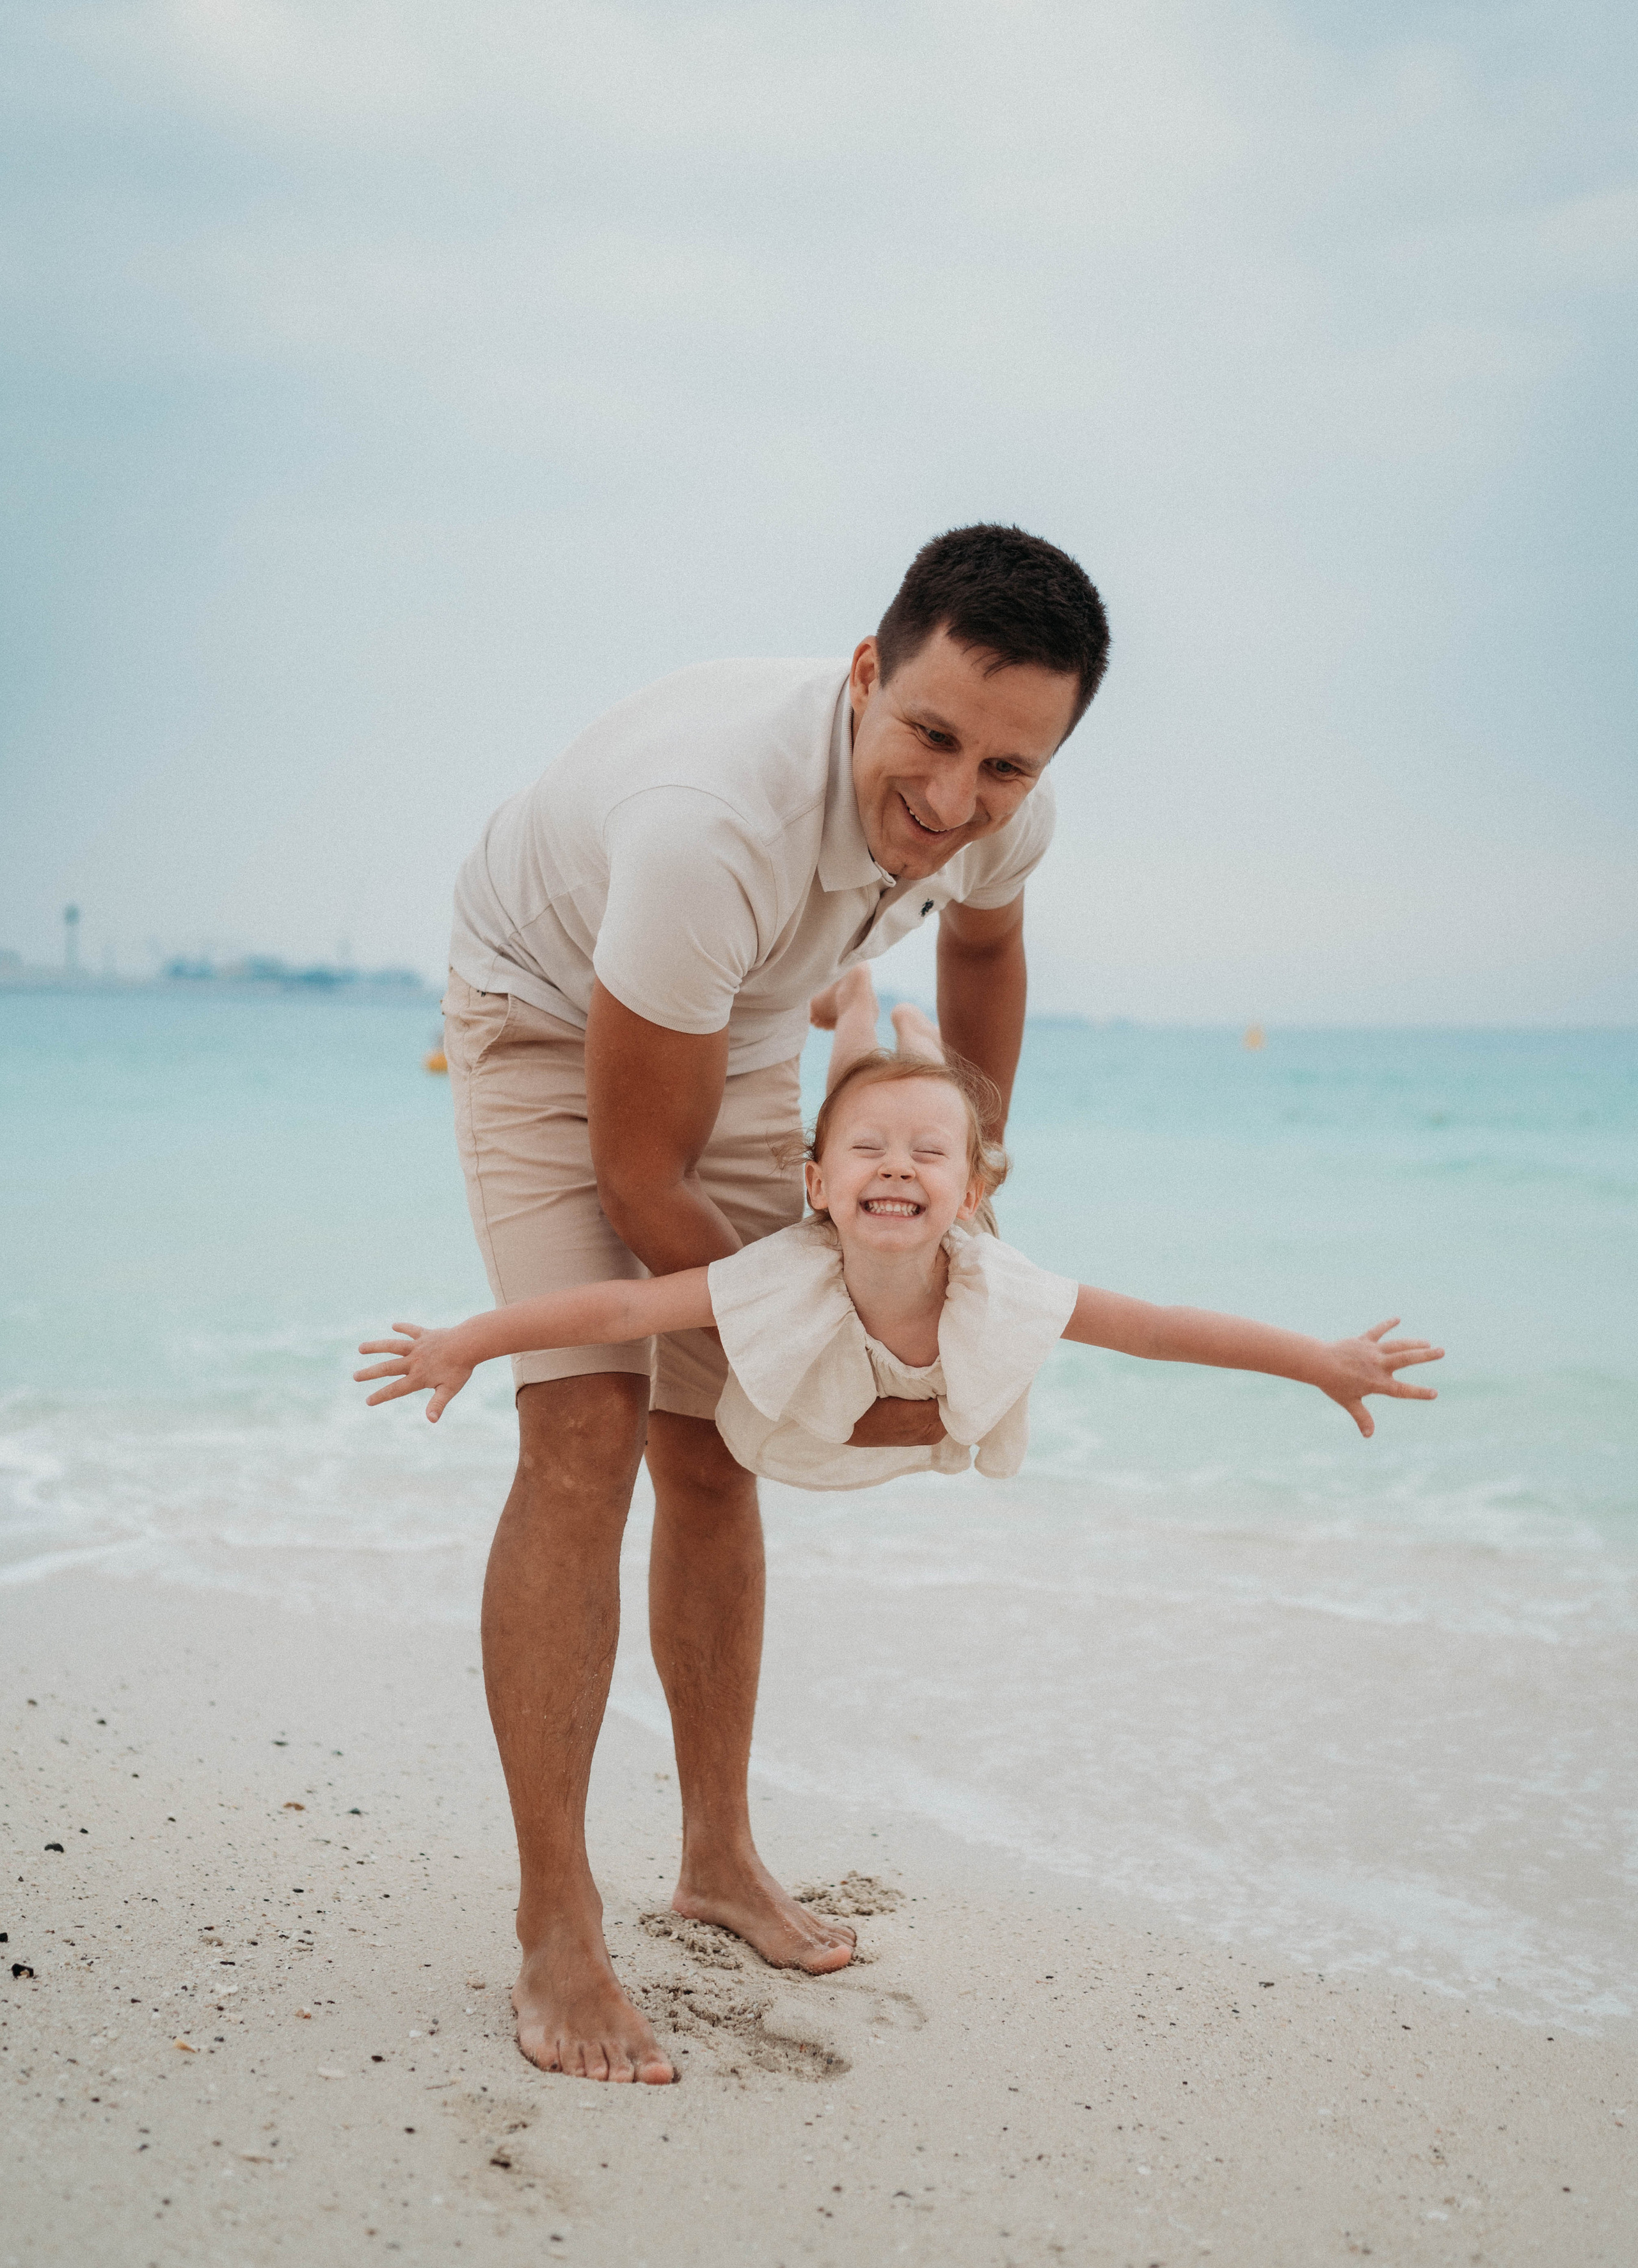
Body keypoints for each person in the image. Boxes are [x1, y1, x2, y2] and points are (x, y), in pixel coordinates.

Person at [361, 987, 1444, 2067]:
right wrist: (474, 1339)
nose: (895, 1166)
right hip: (826, 1339)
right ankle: (867, 1011)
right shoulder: (782, 1271)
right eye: (867, 1156)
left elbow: (1155, 1329)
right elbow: (621, 1312)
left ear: (969, 1192)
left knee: (903, 1084)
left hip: (948, 1314)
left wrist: (1319, 1362)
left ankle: (909, 1032)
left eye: (931, 1157)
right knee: (861, 1075)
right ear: (815, 1188)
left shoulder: (992, 1274)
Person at [433, 523, 1111, 2085]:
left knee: (713, 1445)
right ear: (868, 674)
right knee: (591, 1423)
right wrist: (843, 1354)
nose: (952, 801)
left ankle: (715, 1856)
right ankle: (555, 1916)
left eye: (1002, 767)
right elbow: (639, 1171)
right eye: (929, 736)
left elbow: (986, 951)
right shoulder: (710, 826)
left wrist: (971, 1162)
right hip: (555, 1020)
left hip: (725, 1029)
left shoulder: (1011, 805)